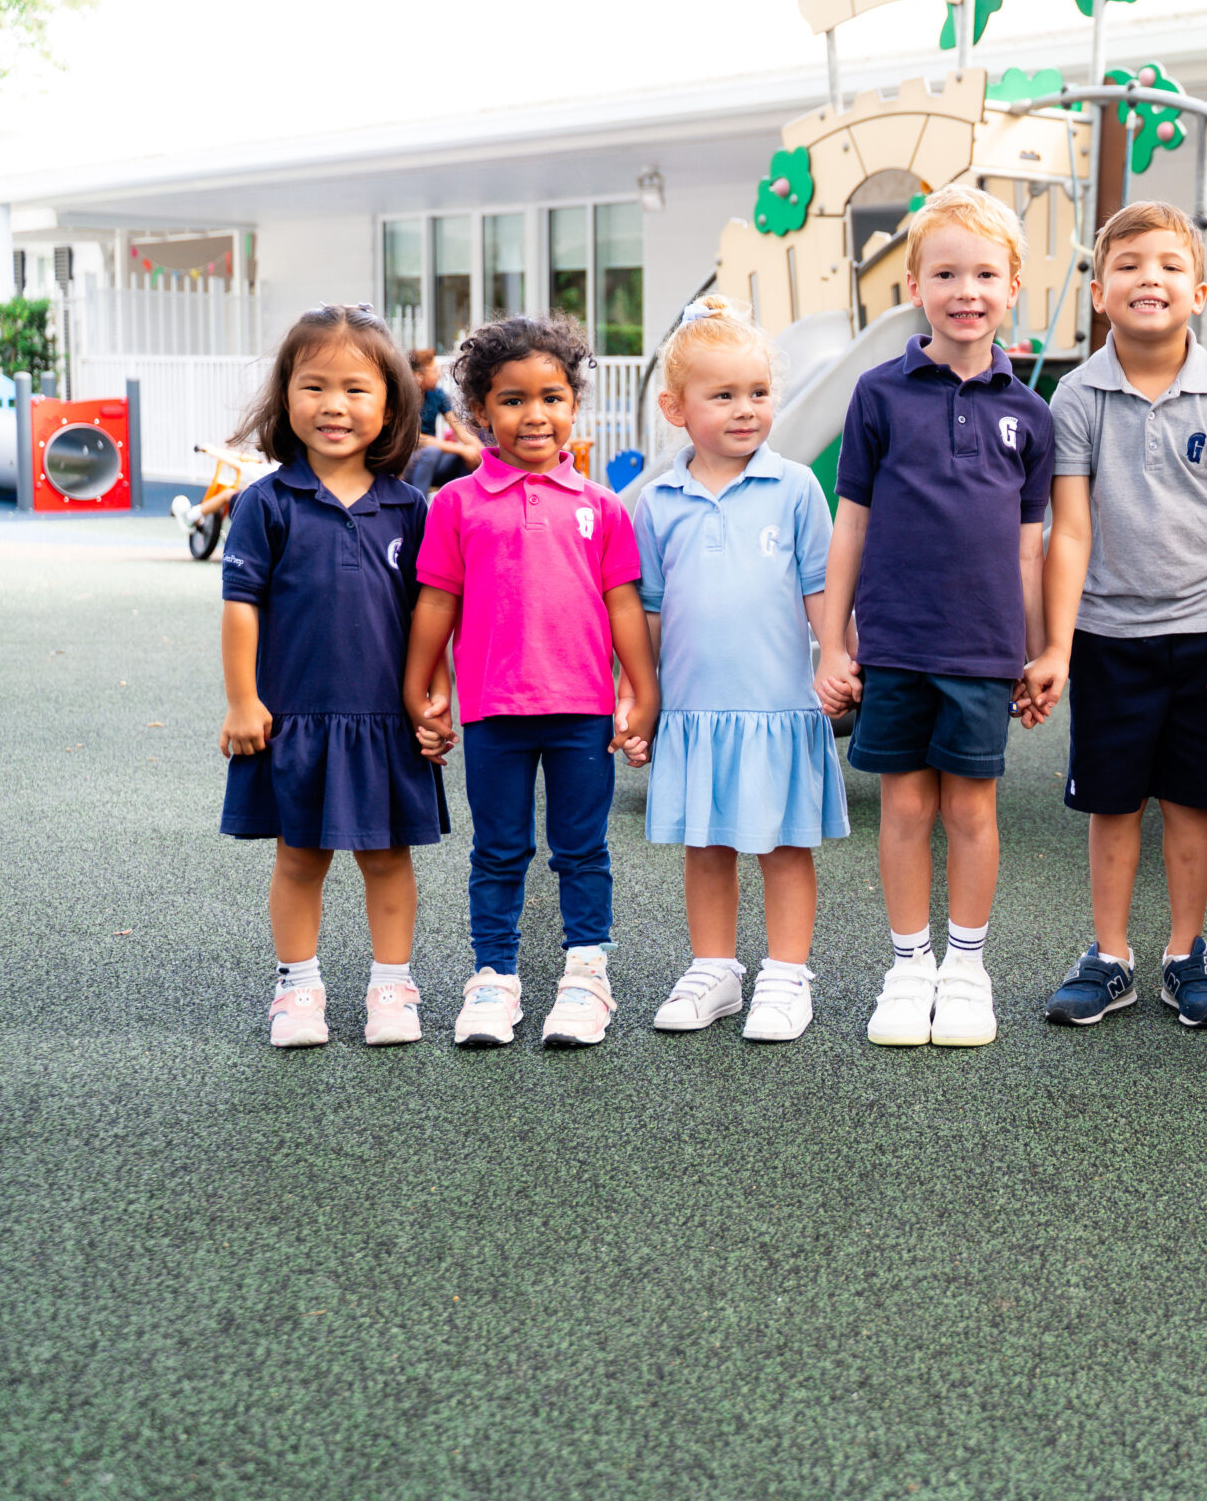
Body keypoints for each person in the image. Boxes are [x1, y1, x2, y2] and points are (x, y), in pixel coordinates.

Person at [1020, 203, 1207, 1030]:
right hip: (1107, 639)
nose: (1151, 279)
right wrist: (1056, 646)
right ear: (1100, 291)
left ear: (1201, 291)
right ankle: (1111, 956)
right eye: (1131, 265)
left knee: (1189, 802)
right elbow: (1068, 531)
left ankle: (1186, 952)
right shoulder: (1076, 396)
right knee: (1111, 805)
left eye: (1171, 265)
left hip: (1205, 640)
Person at [813, 186, 1051, 1051]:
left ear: (1013, 283)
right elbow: (852, 526)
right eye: (946, 271)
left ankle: (967, 967)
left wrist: (1039, 648)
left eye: (985, 272)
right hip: (896, 646)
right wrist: (832, 642)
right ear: (914, 282)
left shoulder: (1031, 415)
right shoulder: (878, 397)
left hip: (984, 653)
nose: (966, 290)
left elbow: (1031, 547)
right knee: (907, 810)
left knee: (973, 814)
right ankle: (909, 963)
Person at [402, 314, 657, 1051]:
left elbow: (623, 606)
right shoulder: (455, 505)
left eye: (551, 396)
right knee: (499, 848)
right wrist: (420, 686)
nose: (534, 414)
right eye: (512, 399)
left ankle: (586, 973)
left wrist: (643, 691)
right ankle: (494, 977)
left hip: (581, 711)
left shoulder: (602, 508)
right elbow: (436, 602)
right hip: (490, 711)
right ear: (480, 411)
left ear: (574, 405)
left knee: (582, 848)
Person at [216, 304, 449, 1048]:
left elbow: (430, 614)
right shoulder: (266, 502)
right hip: (296, 719)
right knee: (300, 854)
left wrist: (434, 695)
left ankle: (391, 986)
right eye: (314, 386)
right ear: (286, 396)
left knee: (387, 855)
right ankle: (298, 987)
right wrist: (244, 700)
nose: (335, 406)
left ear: (392, 405)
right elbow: (241, 607)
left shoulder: (412, 509)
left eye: (356, 389)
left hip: (384, 719)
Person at [632, 296, 847, 1042]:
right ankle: (715, 968)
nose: (745, 409)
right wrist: (639, 695)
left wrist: (837, 658)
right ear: (675, 407)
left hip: (779, 706)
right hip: (695, 711)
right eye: (722, 395)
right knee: (707, 843)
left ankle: (787, 975)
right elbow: (648, 610)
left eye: (757, 392)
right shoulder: (656, 501)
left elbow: (821, 586)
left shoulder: (794, 488)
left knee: (786, 846)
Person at [405, 348, 480, 491]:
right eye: (433, 371)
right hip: (406, 462)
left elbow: (459, 428)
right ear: (418, 376)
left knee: (466, 459)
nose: (438, 375)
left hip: (431, 462)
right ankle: (420, 508)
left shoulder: (437, 395)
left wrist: (479, 451)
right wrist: (461, 449)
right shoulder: (404, 398)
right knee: (431, 452)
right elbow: (417, 439)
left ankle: (463, 506)